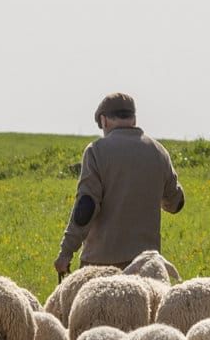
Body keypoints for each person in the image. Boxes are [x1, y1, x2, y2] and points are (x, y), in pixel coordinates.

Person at [54, 92, 185, 277]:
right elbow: (176, 203)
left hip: (100, 265)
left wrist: (66, 252)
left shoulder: (96, 151)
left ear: (104, 120)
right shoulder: (158, 151)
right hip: (147, 266)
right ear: (134, 119)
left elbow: (86, 207)